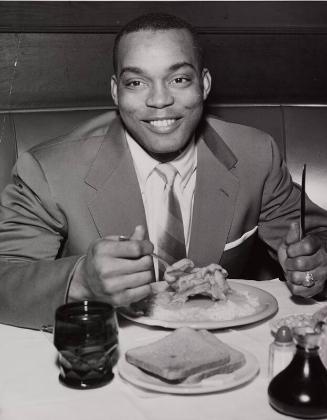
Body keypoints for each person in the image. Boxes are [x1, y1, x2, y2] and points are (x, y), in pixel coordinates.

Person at [1, 13, 327, 329]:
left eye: (179, 79)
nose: (159, 100)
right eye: (137, 82)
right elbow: (5, 275)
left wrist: (314, 264)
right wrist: (79, 282)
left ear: (205, 84)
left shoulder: (256, 155)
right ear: (116, 91)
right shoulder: (49, 170)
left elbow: (316, 239)